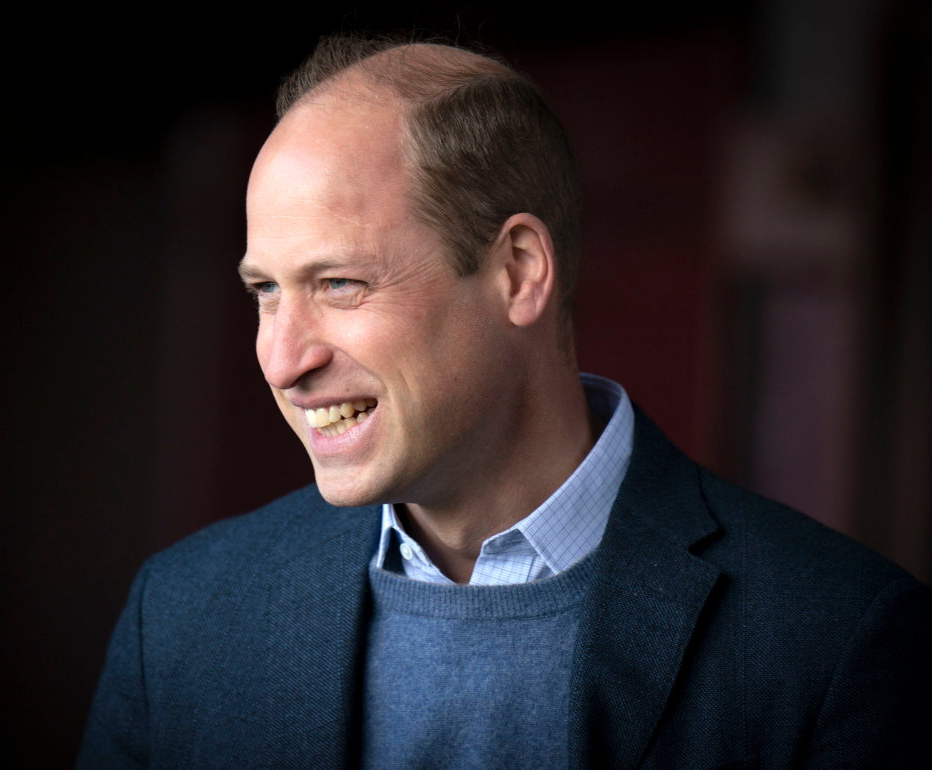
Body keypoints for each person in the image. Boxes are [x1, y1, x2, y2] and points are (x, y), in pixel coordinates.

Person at [77, 35, 930, 769]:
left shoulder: (835, 643)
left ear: (518, 270)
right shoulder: (181, 619)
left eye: (337, 283)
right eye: (266, 291)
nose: (281, 358)